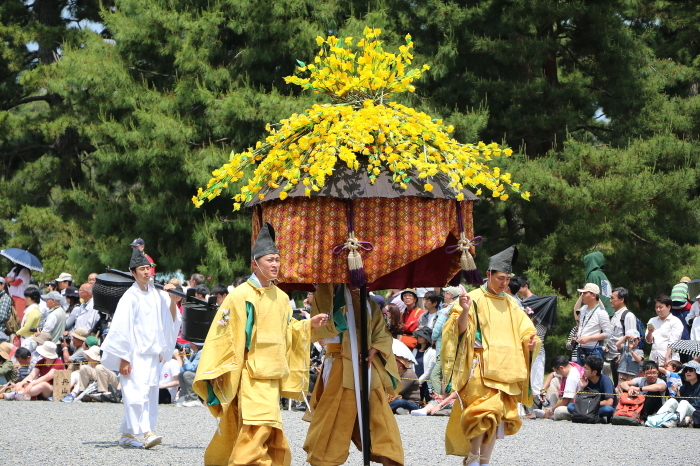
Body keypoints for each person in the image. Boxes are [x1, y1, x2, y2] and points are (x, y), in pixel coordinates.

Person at [193, 223, 326, 466]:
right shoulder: (240, 295)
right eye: (270, 260)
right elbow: (223, 335)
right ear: (255, 264)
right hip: (248, 373)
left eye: (277, 259)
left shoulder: (282, 297)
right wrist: (217, 369)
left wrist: (308, 325)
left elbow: (288, 331)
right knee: (258, 427)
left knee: (268, 429)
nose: (275, 264)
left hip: (272, 373)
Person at [441, 245, 539, 466]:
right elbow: (458, 330)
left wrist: (530, 341)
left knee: (497, 419)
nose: (504, 283)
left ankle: (484, 461)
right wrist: (465, 310)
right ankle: (474, 456)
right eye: (500, 278)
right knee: (483, 413)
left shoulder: (512, 303)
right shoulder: (473, 297)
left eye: (507, 279)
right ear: (489, 275)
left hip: (506, 369)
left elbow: (526, 330)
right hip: (480, 367)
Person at [303, 283, 404, 465]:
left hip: (366, 365)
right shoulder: (328, 296)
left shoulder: (369, 303)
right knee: (333, 416)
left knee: (378, 415)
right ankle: (324, 460)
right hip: (339, 362)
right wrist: (342, 302)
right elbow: (322, 329)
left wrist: (374, 348)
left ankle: (390, 458)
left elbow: (381, 333)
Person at [100, 248, 181, 449]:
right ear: (133, 272)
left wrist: (172, 300)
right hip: (134, 354)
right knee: (137, 394)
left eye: (148, 268)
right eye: (141, 269)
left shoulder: (157, 294)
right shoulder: (130, 296)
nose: (146, 272)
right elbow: (121, 328)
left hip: (153, 353)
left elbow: (170, 319)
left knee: (150, 394)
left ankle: (127, 433)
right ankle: (147, 432)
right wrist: (123, 358)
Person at [565, 356, 616, 422]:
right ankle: (595, 418)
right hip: (587, 407)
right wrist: (581, 387)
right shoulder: (585, 381)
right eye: (584, 367)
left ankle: (585, 416)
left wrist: (591, 404)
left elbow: (609, 402)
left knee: (608, 409)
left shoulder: (605, 381)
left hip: (598, 407)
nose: (583, 370)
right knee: (570, 406)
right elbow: (576, 401)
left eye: (586, 369)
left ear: (594, 372)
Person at [573, 283, 611, 366]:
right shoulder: (583, 309)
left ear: (593, 295)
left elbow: (608, 333)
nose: (582, 296)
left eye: (585, 293)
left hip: (594, 350)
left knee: (593, 378)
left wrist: (589, 338)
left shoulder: (601, 312)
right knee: (581, 377)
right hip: (581, 349)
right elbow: (575, 309)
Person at [607, 287, 638, 385]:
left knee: (622, 387)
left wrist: (625, 354)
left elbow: (632, 338)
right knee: (616, 385)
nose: (610, 300)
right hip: (613, 357)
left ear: (622, 299)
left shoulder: (628, 315)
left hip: (622, 358)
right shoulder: (614, 315)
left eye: (613, 298)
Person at [655, 360, 700, 427]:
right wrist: (677, 393)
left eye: (690, 370)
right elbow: (679, 402)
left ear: (697, 372)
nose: (687, 372)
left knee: (684, 402)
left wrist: (685, 402)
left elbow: (697, 405)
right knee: (672, 400)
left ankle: (674, 421)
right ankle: (656, 419)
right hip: (684, 411)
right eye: (685, 370)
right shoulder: (683, 387)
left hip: (696, 413)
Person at [540, 355, 583, 420]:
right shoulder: (571, 366)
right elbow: (552, 374)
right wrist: (543, 390)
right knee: (555, 380)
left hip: (575, 405)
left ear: (561, 368)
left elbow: (566, 401)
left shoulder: (572, 377)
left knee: (558, 411)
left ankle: (550, 412)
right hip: (571, 400)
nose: (557, 373)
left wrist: (552, 410)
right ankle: (549, 407)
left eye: (557, 371)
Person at [646, 294, 684, 365]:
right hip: (654, 359)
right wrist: (650, 332)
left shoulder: (675, 321)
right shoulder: (652, 320)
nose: (658, 310)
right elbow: (648, 341)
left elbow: (673, 342)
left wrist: (667, 357)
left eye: (661, 307)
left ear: (669, 307)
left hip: (670, 360)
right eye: (656, 307)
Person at [581, 251, 613, 316]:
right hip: (609, 310)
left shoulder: (593, 275)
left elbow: (592, 294)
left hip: (600, 312)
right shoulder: (602, 275)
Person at [413, 326, 437, 401]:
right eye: (418, 336)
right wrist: (414, 381)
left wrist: (419, 381)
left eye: (421, 336)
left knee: (429, 403)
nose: (419, 338)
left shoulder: (432, 352)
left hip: (427, 384)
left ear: (427, 339)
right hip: (415, 381)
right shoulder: (415, 350)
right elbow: (411, 366)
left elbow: (429, 370)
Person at [177, 341, 202, 407]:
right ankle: (187, 397)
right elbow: (184, 369)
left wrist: (185, 357)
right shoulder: (194, 352)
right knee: (181, 374)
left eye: (190, 343)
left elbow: (191, 368)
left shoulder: (201, 352)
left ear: (194, 344)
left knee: (187, 374)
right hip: (196, 375)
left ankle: (194, 399)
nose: (188, 344)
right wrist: (182, 358)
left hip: (203, 376)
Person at [670, 277, 692, 341]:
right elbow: (689, 298)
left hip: (673, 305)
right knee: (691, 307)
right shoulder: (687, 286)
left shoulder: (675, 286)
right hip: (683, 305)